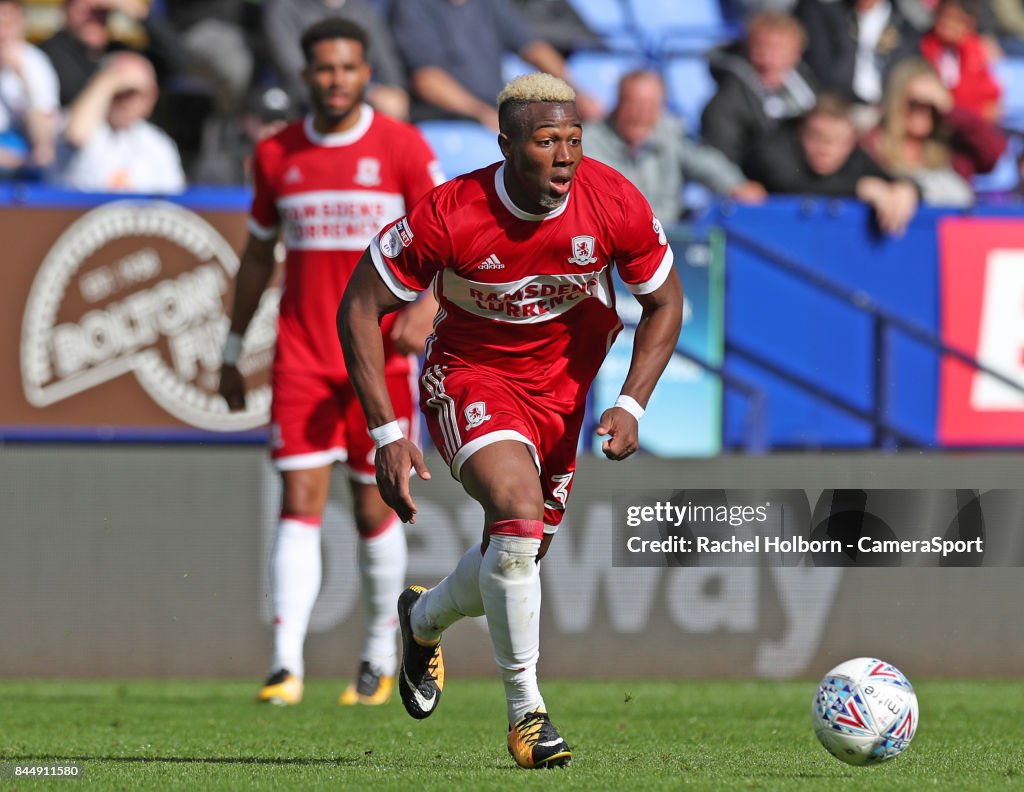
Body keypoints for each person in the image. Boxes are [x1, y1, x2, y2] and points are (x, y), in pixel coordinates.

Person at [337, 73, 682, 768]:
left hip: (564, 398)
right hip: (471, 377)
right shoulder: (451, 212)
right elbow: (358, 306)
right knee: (518, 511)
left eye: (574, 140)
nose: (564, 156)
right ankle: (527, 714)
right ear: (506, 145)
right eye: (547, 140)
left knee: (518, 552)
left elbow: (666, 301)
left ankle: (423, 617)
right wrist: (386, 432)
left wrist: (631, 401)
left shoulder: (613, 200)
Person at [218, 17, 441, 708]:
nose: (335, 80)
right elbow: (258, 257)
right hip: (303, 358)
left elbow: (449, 243)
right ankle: (285, 665)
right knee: (298, 501)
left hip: (378, 365)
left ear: (365, 71)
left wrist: (427, 310)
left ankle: (378, 656)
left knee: (375, 506)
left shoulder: (402, 149)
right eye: (323, 69)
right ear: (306, 73)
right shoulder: (278, 154)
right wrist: (231, 347)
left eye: (347, 68)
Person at [390, 0, 602, 129]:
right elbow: (427, 80)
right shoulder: (412, 6)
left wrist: (575, 91)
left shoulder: (489, 4)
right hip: (447, 118)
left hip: (492, 116)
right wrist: (482, 114)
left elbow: (533, 48)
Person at [585, 69, 766, 221]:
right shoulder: (585, 143)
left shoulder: (673, 135)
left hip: (666, 242)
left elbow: (705, 162)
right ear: (618, 103)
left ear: (661, 107)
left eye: (650, 105)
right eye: (633, 103)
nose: (640, 114)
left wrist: (734, 186)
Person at [745, 93, 920, 234]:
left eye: (836, 139)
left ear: (851, 142)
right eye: (816, 136)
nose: (825, 147)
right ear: (800, 132)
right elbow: (790, 185)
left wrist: (907, 189)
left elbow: (891, 182)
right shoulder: (777, 149)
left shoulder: (856, 158)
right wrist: (859, 188)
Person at [863, 58, 1006, 206]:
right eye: (915, 103)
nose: (923, 111)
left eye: (930, 105)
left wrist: (949, 107)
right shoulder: (873, 145)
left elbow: (993, 153)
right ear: (898, 103)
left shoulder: (952, 149)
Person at [701, 10, 817, 173]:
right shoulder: (727, 102)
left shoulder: (810, 89)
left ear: (796, 53)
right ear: (747, 49)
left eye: (779, 48)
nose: (769, 56)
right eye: (762, 47)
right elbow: (719, 159)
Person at [54, 51, 185, 192]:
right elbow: (76, 135)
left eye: (133, 93)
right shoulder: (83, 123)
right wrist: (110, 80)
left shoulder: (158, 143)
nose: (125, 102)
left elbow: (174, 200)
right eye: (118, 92)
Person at [263, 0, 410, 120]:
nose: (338, 79)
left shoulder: (363, 11)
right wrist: (369, 94)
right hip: (302, 112)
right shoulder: (284, 9)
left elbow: (389, 65)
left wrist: (396, 91)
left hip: (363, 112)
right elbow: (295, 75)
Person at [795, 0, 920, 124]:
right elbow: (820, 64)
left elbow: (905, 78)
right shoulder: (828, 12)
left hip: (883, 114)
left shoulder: (906, 27)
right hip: (834, 106)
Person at [0, 0, 59, 174]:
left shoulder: (35, 63)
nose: (2, 33)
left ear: (22, 24)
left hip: (21, 162)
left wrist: (22, 76)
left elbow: (44, 147)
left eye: (9, 24)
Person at [920, 0, 1003, 122]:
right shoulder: (924, 48)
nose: (951, 25)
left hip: (970, 123)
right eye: (947, 17)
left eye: (959, 20)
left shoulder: (974, 50)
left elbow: (991, 98)